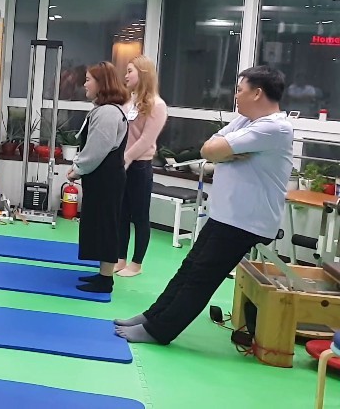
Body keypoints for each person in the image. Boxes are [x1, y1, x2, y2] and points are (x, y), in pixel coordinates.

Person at [115, 66, 293, 345]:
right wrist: (223, 152)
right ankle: (152, 316)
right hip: (226, 215)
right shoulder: (245, 122)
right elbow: (207, 148)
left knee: (201, 278)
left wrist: (222, 152)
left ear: (258, 93)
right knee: (189, 268)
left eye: (240, 90)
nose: (236, 96)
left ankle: (159, 331)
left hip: (246, 221)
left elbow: (215, 150)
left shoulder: (274, 127)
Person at [66, 62, 129, 294]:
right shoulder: (103, 110)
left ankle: (106, 281)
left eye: (88, 80)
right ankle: (103, 274)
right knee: (101, 225)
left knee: (106, 226)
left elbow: (96, 149)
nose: (84, 84)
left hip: (106, 179)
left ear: (101, 83)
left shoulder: (108, 113)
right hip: (103, 178)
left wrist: (77, 169)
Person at [117, 55, 168, 277]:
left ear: (143, 73)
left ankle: (136, 263)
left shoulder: (157, 105)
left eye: (130, 71)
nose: (126, 76)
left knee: (139, 216)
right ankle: (120, 258)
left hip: (139, 167)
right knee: (121, 214)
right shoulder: (129, 102)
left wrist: (126, 159)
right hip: (123, 164)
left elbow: (146, 140)